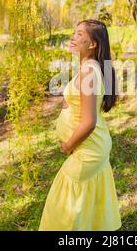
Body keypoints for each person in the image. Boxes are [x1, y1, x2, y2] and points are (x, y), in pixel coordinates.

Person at [38, 19, 121, 231]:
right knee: (87, 207)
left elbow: (89, 121)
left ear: (93, 44)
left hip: (87, 150)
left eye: (79, 34)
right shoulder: (87, 67)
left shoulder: (89, 71)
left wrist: (68, 145)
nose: (73, 37)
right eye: (74, 33)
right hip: (91, 148)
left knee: (63, 207)